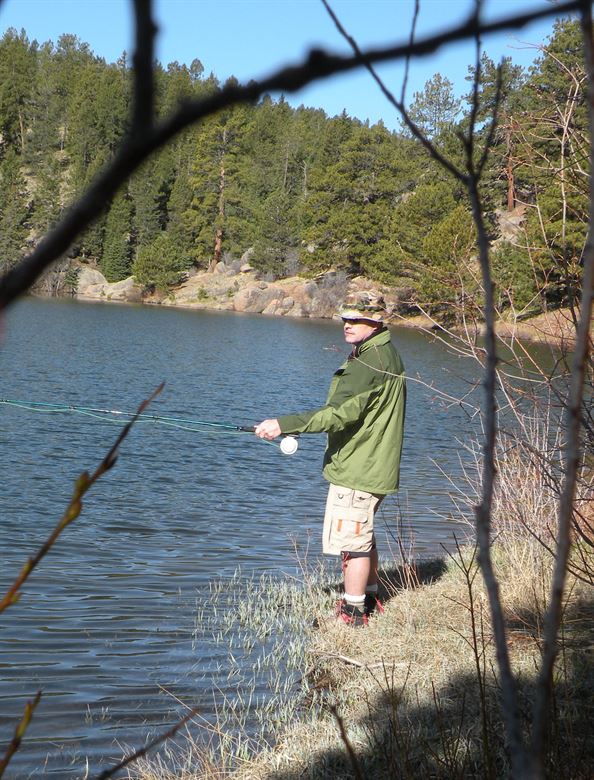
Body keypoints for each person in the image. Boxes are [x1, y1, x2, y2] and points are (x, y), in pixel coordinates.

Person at [255, 292, 406, 627]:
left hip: (359, 466)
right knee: (362, 533)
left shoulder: (370, 361)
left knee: (352, 540)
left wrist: (284, 424)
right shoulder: (383, 352)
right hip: (373, 462)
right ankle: (368, 596)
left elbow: (338, 415)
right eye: (345, 319)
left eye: (356, 319)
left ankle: (352, 615)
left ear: (376, 321)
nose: (347, 325)